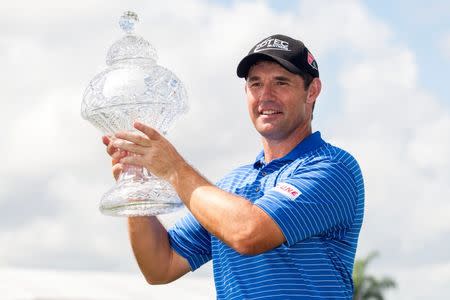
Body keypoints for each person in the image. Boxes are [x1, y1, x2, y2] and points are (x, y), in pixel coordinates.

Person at [103, 34, 365, 299]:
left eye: (280, 82)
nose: (265, 95)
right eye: (255, 83)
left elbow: (249, 232)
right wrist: (135, 189)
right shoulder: (231, 186)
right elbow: (161, 266)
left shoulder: (332, 167)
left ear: (312, 91)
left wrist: (173, 169)